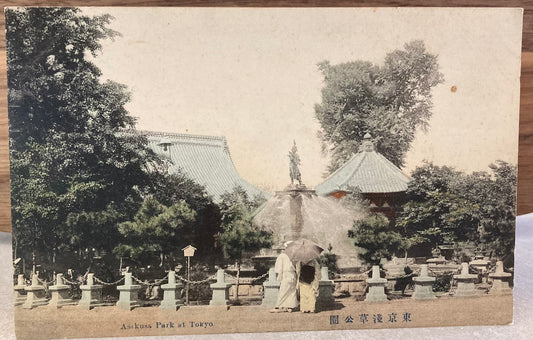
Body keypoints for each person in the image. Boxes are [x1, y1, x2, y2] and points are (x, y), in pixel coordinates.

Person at [270, 248, 298, 313]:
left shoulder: (282, 256)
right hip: (293, 275)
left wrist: (279, 277)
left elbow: (279, 267)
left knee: (283, 291)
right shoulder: (294, 256)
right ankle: (290, 307)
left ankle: (278, 306)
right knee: (292, 292)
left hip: (286, 275)